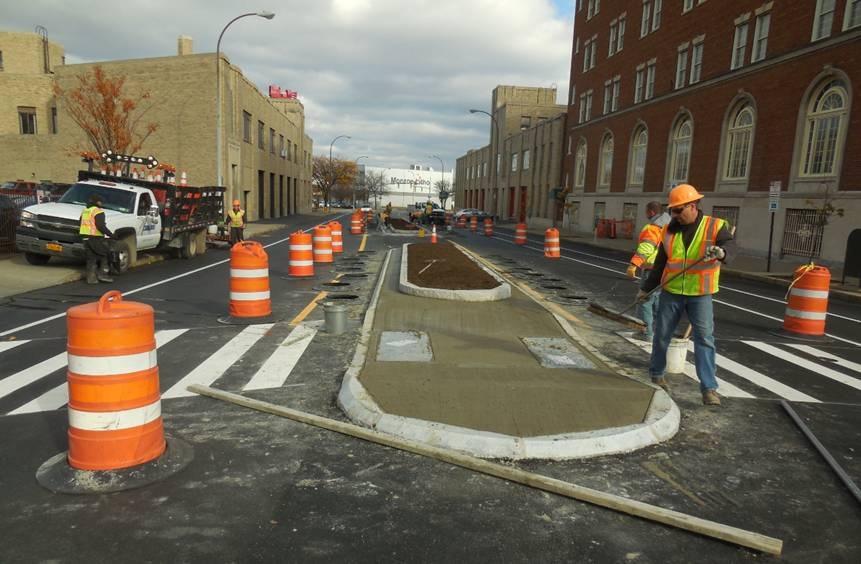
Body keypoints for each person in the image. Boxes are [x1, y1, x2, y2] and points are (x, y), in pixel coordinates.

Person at [637, 184, 736, 406]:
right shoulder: (669, 232)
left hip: (700, 294)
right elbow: (660, 264)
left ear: (693, 206)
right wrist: (646, 289)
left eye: (679, 211)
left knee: (704, 339)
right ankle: (657, 373)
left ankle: (709, 389)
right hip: (672, 292)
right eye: (672, 211)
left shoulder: (715, 226)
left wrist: (722, 253)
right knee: (662, 335)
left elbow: (730, 245)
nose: (675, 215)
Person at [626, 201, 670, 340]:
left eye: (646, 211)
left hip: (652, 270)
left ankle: (645, 332)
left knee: (644, 300)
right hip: (666, 270)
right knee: (656, 302)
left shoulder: (652, 229)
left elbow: (646, 247)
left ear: (651, 212)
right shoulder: (669, 227)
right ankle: (656, 331)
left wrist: (634, 264)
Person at [79, 193, 115, 284]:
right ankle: (103, 275)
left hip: (85, 237)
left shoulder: (85, 211)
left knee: (91, 258)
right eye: (101, 202)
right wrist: (111, 235)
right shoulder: (98, 211)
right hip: (95, 238)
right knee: (105, 255)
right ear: (98, 202)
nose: (101, 203)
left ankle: (91, 278)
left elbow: (80, 222)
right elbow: (100, 226)